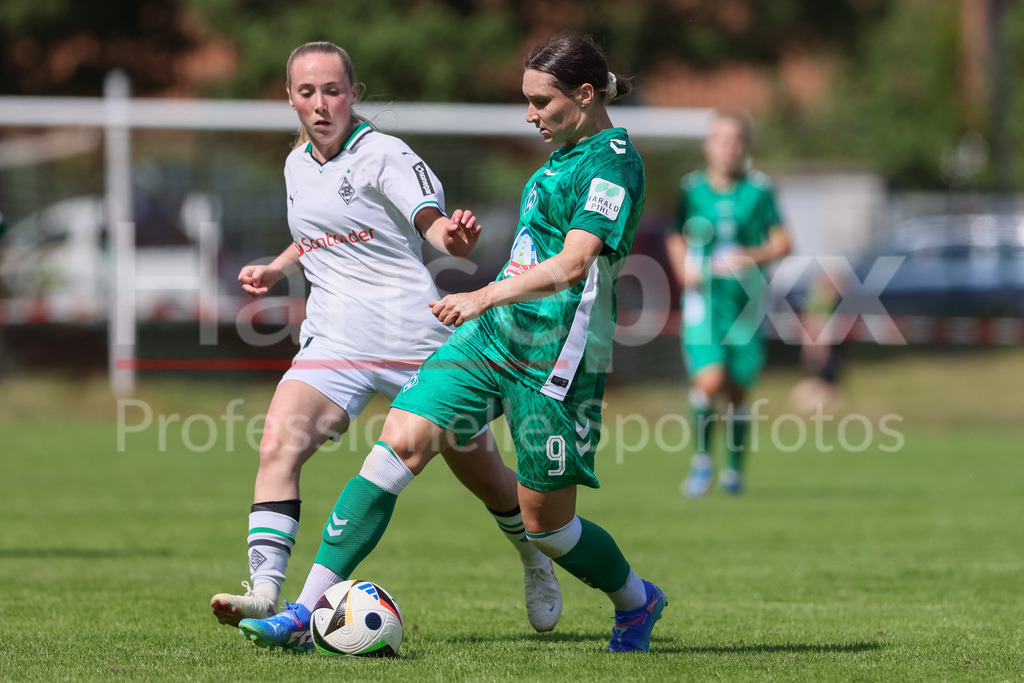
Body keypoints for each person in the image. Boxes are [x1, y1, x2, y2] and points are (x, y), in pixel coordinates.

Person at [239, 31, 666, 654]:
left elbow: (576, 264)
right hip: (489, 337)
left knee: (547, 524)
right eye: (526, 100)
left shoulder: (614, 162)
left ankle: (635, 601)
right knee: (397, 446)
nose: (529, 114)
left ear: (582, 93)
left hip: (556, 355)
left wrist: (481, 294)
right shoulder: (564, 149)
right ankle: (302, 612)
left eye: (540, 102)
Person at [210, 41, 561, 640]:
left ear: (354, 93)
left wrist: (458, 237)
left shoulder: (387, 156)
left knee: (487, 478)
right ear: (289, 97)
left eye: (332, 90)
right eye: (306, 92)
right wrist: (276, 268)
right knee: (278, 445)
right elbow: (321, 234)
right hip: (334, 340)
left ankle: (534, 559)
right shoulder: (297, 163)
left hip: (413, 340)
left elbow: (437, 232)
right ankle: (267, 592)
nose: (320, 105)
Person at [665, 109, 791, 497]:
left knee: (737, 390)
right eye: (721, 139)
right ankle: (702, 461)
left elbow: (783, 243)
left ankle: (734, 472)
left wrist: (749, 258)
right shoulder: (691, 190)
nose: (728, 147)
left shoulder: (760, 190)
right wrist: (683, 269)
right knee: (710, 380)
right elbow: (675, 235)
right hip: (704, 304)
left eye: (736, 140)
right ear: (708, 145)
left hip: (746, 306)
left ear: (746, 147)